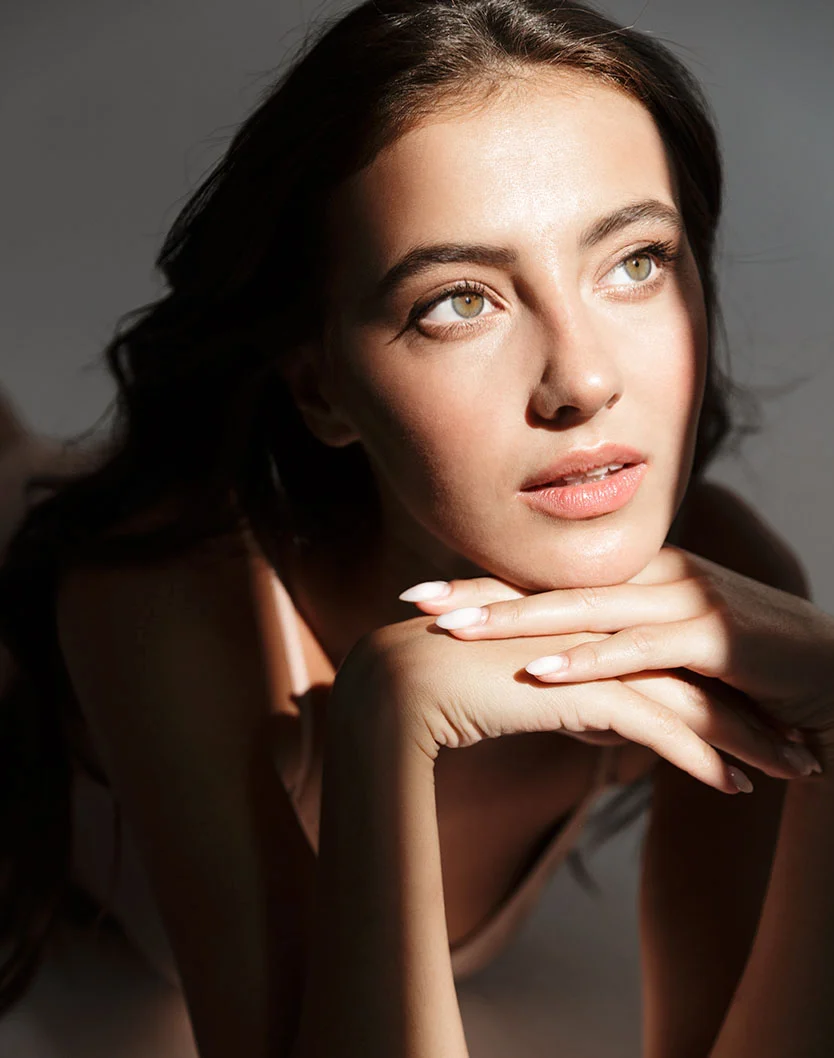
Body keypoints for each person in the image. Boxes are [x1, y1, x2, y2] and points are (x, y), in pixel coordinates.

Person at [1, 1, 833, 1055]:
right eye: (459, 301)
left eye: (634, 261)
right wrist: (386, 727)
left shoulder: (723, 595)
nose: (582, 378)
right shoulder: (167, 595)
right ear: (320, 386)